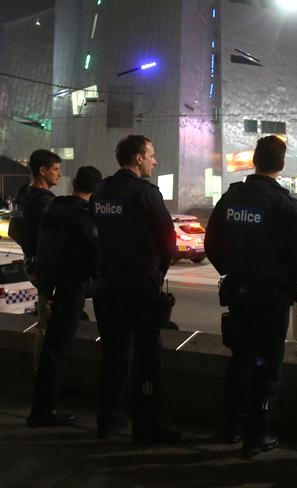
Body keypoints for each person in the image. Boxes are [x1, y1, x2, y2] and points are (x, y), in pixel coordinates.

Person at [205, 135, 297, 457]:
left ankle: (231, 427)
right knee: (266, 366)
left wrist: (231, 269)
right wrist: (291, 281)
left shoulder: (232, 197)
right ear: (280, 164)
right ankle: (257, 435)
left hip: (238, 292)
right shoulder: (281, 202)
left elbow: (212, 243)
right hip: (270, 296)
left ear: (254, 160)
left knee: (238, 359)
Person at [92, 135, 178, 444]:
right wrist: (157, 273)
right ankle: (146, 427)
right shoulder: (145, 194)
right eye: (152, 155)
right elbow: (169, 242)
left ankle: (107, 421)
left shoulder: (101, 192)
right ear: (138, 158)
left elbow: (94, 236)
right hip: (140, 287)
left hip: (108, 285)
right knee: (147, 358)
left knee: (113, 354)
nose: (155, 161)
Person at [26, 166, 102, 427]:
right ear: (96, 190)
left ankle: (41, 408)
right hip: (71, 287)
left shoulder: (55, 207)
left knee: (50, 348)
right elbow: (94, 255)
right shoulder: (82, 215)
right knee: (56, 350)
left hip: (51, 284)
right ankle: (44, 412)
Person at [8, 149, 61, 369]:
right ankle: (44, 375)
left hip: (31, 262)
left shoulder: (21, 194)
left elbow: (13, 231)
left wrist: (29, 250)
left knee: (44, 321)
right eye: (56, 169)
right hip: (46, 267)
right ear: (42, 171)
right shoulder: (47, 202)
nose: (59, 174)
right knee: (48, 323)